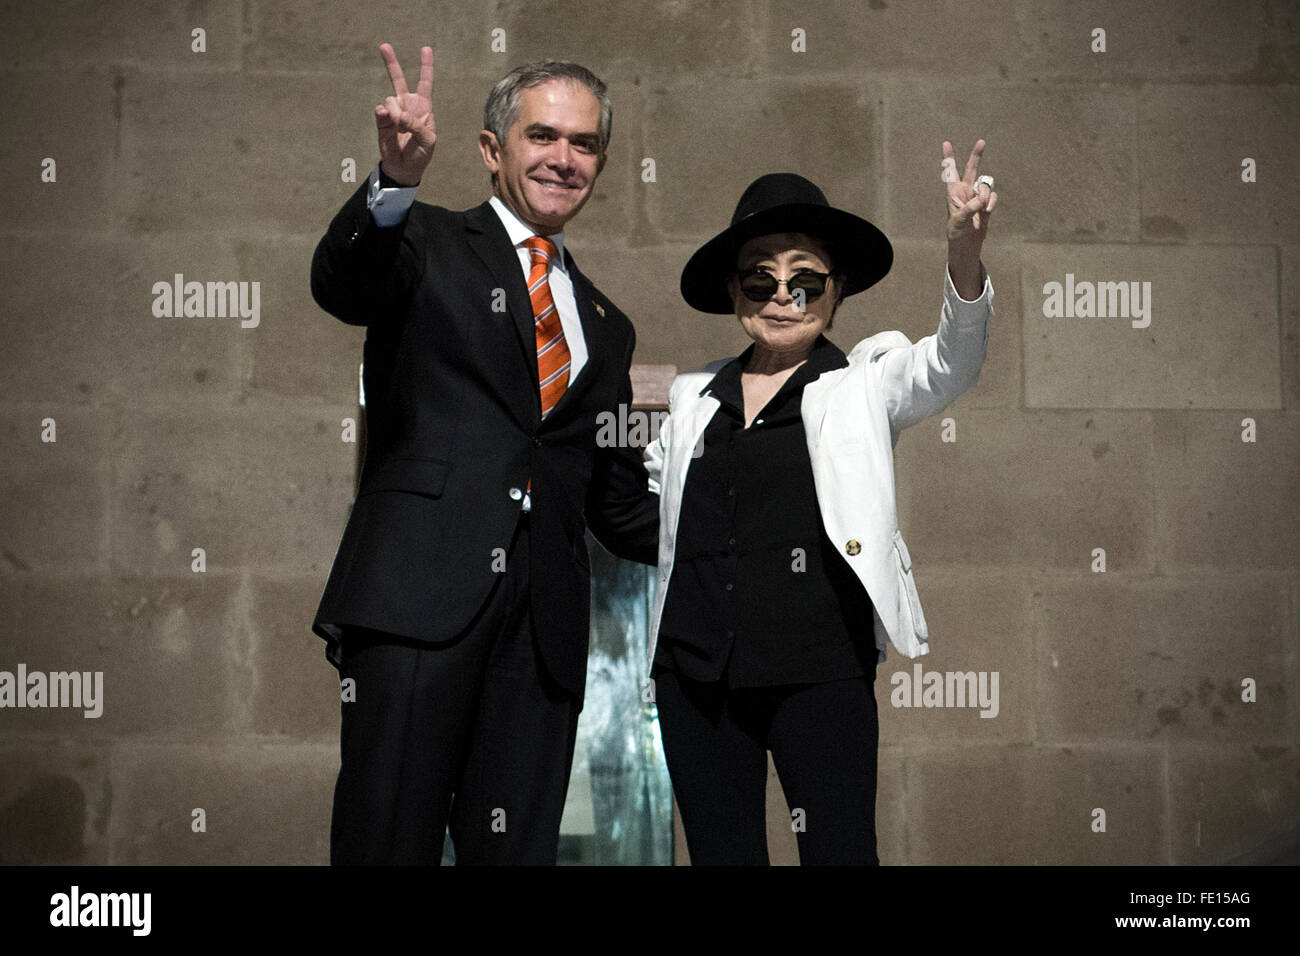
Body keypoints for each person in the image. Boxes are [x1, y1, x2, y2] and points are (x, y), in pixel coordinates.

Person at [310, 44, 658, 865]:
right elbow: (341, 284)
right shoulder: (422, 240)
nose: (563, 159)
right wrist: (394, 180)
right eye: (543, 136)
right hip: (416, 602)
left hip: (540, 635)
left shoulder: (608, 324)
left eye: (584, 145)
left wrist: (741, 520)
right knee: (385, 837)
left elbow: (614, 500)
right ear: (492, 148)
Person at [643, 144, 998, 865]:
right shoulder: (691, 399)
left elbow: (949, 362)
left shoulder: (862, 383)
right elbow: (646, 509)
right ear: (734, 291)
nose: (783, 297)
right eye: (760, 278)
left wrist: (963, 252)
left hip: (819, 669)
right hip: (695, 676)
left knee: (838, 852)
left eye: (806, 282)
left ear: (835, 295)